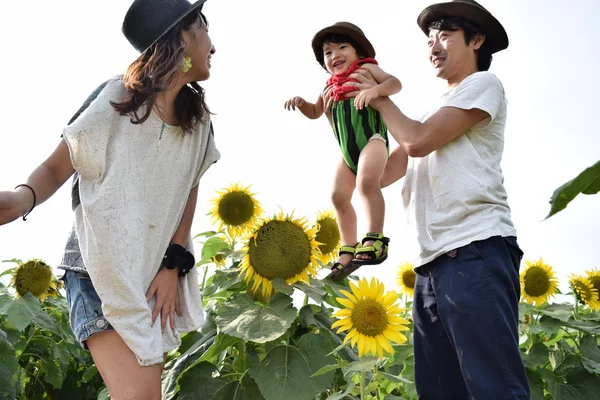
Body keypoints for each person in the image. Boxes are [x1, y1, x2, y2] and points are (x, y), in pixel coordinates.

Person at [0, 0, 220, 398]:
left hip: (151, 278)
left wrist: (173, 264)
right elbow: (56, 167)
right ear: (181, 39)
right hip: (96, 271)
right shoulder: (117, 98)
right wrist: (21, 200)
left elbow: (188, 193)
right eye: (204, 28)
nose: (214, 45)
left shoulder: (197, 121)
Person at [342, 0, 530, 398]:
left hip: (474, 250)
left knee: (493, 387)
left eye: (445, 36)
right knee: (441, 392)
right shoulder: (431, 110)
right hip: (430, 266)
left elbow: (417, 141)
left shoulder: (483, 86)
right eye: (430, 40)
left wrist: (378, 96)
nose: (434, 47)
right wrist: (350, 131)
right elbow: (383, 173)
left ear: (477, 40)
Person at [284, 22, 402, 280]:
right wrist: (302, 104)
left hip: (373, 140)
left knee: (367, 183)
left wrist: (375, 90)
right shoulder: (329, 86)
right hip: (347, 152)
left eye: (342, 47)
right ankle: (348, 247)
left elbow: (395, 83)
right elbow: (316, 112)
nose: (335, 55)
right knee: (338, 196)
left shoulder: (367, 69)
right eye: (328, 52)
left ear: (358, 52)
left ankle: (375, 238)